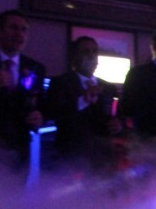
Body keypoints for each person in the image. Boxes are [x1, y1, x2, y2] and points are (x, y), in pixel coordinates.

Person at [45, 35, 123, 171]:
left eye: (94, 51)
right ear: (74, 57)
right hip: (70, 157)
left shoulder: (108, 87)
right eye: (86, 51)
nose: (91, 56)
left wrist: (119, 124)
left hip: (102, 157)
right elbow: (53, 112)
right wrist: (83, 101)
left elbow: (117, 114)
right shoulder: (61, 82)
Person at [0, 10, 47, 165]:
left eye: (24, 29)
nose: (19, 34)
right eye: (13, 28)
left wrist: (40, 117)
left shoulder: (36, 68)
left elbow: (41, 104)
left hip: (20, 148)